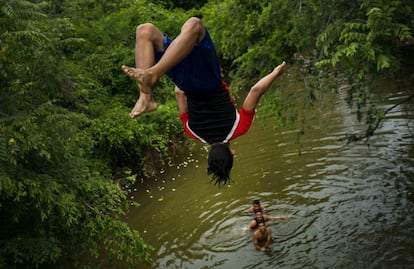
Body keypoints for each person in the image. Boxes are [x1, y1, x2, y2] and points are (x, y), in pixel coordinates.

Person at [121, 17, 286, 184]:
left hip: (208, 79)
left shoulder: (239, 127)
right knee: (145, 31)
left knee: (195, 25)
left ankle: (150, 82)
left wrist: (275, 73)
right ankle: (145, 95)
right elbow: (179, 93)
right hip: (184, 81)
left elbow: (255, 90)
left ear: (232, 153)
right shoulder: (192, 132)